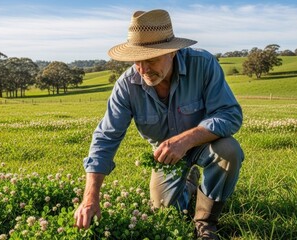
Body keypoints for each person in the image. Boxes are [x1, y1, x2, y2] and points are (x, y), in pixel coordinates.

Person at [74, 9, 244, 239]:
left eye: (151, 60)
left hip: (205, 143)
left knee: (229, 150)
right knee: (163, 211)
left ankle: (205, 221)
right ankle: (190, 185)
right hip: (166, 156)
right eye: (137, 62)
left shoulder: (202, 65)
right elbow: (106, 137)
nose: (143, 70)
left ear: (172, 52)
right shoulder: (126, 86)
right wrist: (90, 197)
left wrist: (186, 139)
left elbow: (230, 114)